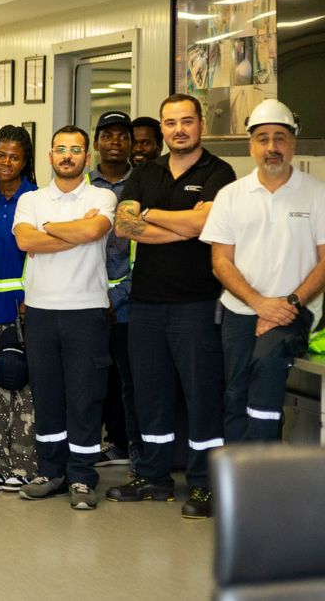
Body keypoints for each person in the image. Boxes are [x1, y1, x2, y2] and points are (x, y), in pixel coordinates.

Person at [109, 93, 236, 519]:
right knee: (151, 395)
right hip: (146, 304)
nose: (178, 129)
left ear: (201, 124)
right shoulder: (147, 171)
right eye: (170, 122)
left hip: (197, 304)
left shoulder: (219, 172)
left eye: (186, 121)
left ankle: (205, 484)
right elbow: (124, 226)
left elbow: (207, 223)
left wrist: (151, 213)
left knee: (202, 397)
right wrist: (185, 223)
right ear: (162, 128)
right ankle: (153, 476)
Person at [201, 100, 325, 442]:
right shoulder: (230, 196)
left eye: (280, 137)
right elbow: (220, 262)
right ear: (251, 145)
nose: (272, 147)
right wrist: (259, 303)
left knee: (266, 371)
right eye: (263, 138)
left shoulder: (317, 194)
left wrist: (288, 304)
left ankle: (262, 470)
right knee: (235, 393)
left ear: (293, 142)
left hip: (294, 310)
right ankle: (236, 472)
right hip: (239, 311)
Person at [13, 127, 117, 510]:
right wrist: (73, 231)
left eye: (75, 149)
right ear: (50, 156)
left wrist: (48, 229)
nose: (67, 155)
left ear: (87, 158)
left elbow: (94, 229)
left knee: (85, 397)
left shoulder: (102, 196)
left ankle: (83, 478)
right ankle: (51, 472)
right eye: (61, 149)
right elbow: (25, 240)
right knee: (47, 396)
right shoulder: (31, 199)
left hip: (87, 311)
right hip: (40, 311)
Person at [0, 125, 38, 493]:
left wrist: (33, 297)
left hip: (27, 310)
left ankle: (25, 466)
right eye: (1, 154)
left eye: (14, 156)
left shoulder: (37, 199)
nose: (6, 162)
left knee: (25, 393)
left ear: (25, 161)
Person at [89, 111, 137, 469]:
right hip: (84, 300)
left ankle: (124, 443)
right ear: (96, 144)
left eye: (122, 135)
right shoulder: (83, 186)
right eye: (107, 135)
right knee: (91, 377)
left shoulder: (143, 185)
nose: (115, 142)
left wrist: (115, 297)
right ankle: (90, 443)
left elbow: (145, 253)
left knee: (127, 378)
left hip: (129, 301)